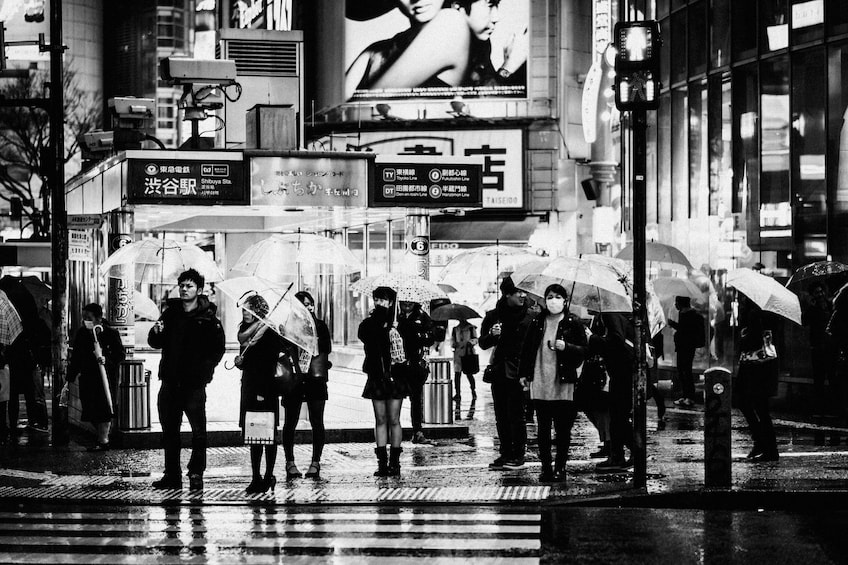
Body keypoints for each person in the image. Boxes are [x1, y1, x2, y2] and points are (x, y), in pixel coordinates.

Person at [148, 268, 225, 490]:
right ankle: (172, 474)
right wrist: (156, 331)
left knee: (198, 432)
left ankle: (196, 472)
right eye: (181, 285)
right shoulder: (170, 314)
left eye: (189, 286)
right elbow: (155, 342)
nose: (184, 289)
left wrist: (204, 372)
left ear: (199, 290)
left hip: (194, 385)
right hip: (170, 382)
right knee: (169, 432)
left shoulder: (209, 318)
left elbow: (217, 350)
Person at [518, 284, 587, 483]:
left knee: (563, 429)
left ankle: (561, 467)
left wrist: (567, 347)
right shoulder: (538, 321)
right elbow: (528, 348)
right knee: (543, 429)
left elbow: (584, 350)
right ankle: (546, 467)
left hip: (563, 383)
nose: (553, 300)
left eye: (557, 296)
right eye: (549, 296)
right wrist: (524, 373)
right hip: (540, 381)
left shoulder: (573, 322)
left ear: (565, 300)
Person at [479, 276, 537, 470]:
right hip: (499, 371)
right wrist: (492, 335)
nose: (522, 295)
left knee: (517, 415)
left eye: (524, 292)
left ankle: (519, 454)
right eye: (518, 292)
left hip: (520, 372)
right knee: (501, 415)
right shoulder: (494, 316)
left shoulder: (530, 316)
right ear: (507, 294)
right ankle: (505, 453)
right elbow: (482, 343)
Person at [234, 295, 282, 494]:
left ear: (259, 311)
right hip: (249, 387)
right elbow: (248, 361)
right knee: (254, 435)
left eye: (250, 310)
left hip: (265, 388)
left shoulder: (270, 331)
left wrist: (262, 392)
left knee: (268, 434)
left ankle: (269, 475)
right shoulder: (244, 333)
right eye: (244, 310)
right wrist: (240, 363)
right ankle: (256, 477)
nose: (246, 313)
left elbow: (269, 362)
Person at [359, 286, 408, 477]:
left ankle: (395, 462)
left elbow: (409, 346)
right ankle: (382, 462)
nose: (380, 303)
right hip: (377, 376)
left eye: (384, 300)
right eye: (377, 299)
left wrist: (396, 330)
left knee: (394, 419)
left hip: (395, 376)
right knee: (380, 418)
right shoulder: (369, 323)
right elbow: (364, 337)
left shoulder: (400, 322)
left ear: (391, 302)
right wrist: (380, 323)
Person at [66, 303, 125, 451]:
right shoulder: (81, 333)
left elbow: (120, 355)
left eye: (89, 318)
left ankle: (103, 440)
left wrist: (107, 360)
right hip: (87, 377)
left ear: (99, 318)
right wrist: (70, 378)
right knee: (89, 409)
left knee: (104, 408)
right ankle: (102, 438)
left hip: (105, 378)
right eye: (84, 317)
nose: (85, 320)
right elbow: (77, 358)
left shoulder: (111, 333)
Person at [290, 291, 332, 479]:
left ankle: (316, 462)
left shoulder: (320, 325)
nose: (308, 307)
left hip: (315, 377)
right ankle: (290, 462)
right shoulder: (289, 325)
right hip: (294, 378)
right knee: (291, 420)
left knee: (317, 420)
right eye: (303, 304)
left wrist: (311, 334)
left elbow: (326, 348)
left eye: (310, 304)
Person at [588, 312, 636, 471]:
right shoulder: (609, 316)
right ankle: (619, 455)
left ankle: (631, 452)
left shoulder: (611, 315)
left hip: (623, 372)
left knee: (618, 416)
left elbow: (616, 340)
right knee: (617, 416)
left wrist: (592, 338)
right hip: (621, 371)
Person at [736, 292, 779, 462]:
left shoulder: (754, 314)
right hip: (765, 367)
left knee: (750, 405)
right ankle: (764, 445)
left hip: (754, 368)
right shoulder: (769, 314)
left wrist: (743, 337)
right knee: (760, 408)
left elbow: (751, 342)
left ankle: (764, 445)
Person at [396, 299, 437, 444]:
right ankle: (394, 430)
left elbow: (431, 337)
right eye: (404, 301)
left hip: (415, 365)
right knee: (395, 399)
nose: (407, 304)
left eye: (410, 302)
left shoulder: (422, 316)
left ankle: (417, 431)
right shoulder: (394, 316)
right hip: (397, 365)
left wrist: (416, 334)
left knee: (416, 399)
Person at [669, 296, 705, 408]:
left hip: (687, 347)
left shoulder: (690, 315)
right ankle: (685, 396)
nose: (675, 305)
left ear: (681, 303)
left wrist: (673, 324)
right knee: (682, 371)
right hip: (682, 346)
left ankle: (689, 397)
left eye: (677, 303)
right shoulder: (683, 313)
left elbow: (685, 330)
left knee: (686, 371)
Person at [803, 282, 833, 403]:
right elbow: (804, 322)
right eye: (817, 293)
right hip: (817, 347)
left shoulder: (830, 305)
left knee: (832, 376)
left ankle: (832, 404)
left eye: (821, 292)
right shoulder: (813, 309)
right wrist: (811, 307)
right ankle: (820, 404)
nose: (820, 294)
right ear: (813, 295)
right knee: (819, 378)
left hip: (830, 346)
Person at [451, 319, 478, 403]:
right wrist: (455, 344)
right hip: (458, 354)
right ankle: (458, 393)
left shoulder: (471, 328)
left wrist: (470, 343)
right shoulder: (455, 329)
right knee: (457, 374)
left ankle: (473, 391)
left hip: (468, 353)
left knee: (469, 374)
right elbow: (453, 341)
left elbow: (475, 339)